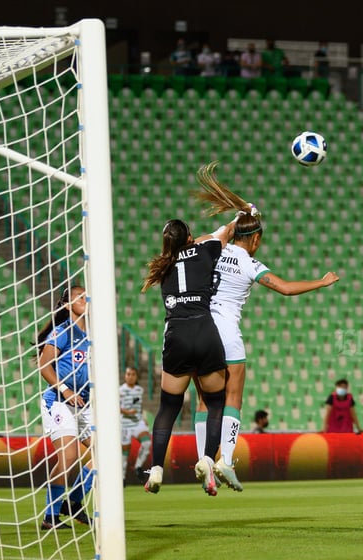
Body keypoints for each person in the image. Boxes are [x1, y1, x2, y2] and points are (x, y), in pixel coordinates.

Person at [190, 162, 339, 490]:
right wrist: (322, 281)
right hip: (227, 332)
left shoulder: (213, 249)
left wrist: (232, 221)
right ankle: (225, 460)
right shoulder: (249, 263)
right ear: (255, 239)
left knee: (204, 400)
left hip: (199, 330)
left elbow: (200, 240)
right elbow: (285, 288)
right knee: (233, 396)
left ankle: (204, 459)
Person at [141, 168, 245, 496]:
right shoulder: (205, 250)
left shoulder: (162, 264)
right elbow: (225, 232)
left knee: (168, 407)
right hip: (205, 331)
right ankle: (206, 460)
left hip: (176, 335)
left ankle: (156, 467)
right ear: (190, 237)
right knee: (215, 401)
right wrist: (244, 213)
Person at [37, 285, 93, 530]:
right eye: (79, 297)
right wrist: (65, 390)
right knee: (69, 457)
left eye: (86, 295)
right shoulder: (63, 332)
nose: (85, 299)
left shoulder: (95, 335)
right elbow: (44, 366)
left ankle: (74, 502)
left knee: (105, 455)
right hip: (59, 402)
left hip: (85, 403)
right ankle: (51, 516)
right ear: (68, 306)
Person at [119, 366, 151, 486]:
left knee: (147, 442)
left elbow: (139, 406)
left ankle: (138, 467)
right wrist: (126, 412)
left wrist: (143, 418)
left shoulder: (139, 390)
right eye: (128, 374)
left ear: (136, 377)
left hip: (137, 422)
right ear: (125, 376)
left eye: (133, 374)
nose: (130, 376)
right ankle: (122, 478)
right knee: (125, 452)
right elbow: (114, 406)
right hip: (125, 424)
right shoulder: (120, 390)